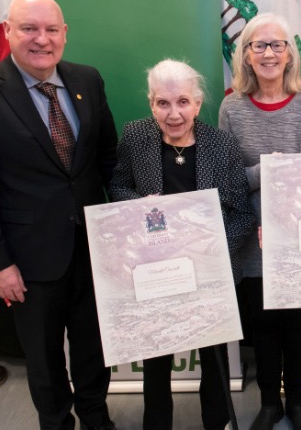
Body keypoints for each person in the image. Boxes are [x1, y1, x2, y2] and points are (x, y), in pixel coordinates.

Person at [0, 0, 117, 430]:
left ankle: (98, 420)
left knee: (94, 349)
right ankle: (57, 423)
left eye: (51, 29)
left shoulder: (88, 80)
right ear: (8, 31)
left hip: (93, 250)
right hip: (27, 259)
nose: (41, 39)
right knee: (44, 361)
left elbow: (107, 158)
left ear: (65, 34)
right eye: (29, 28)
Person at [108, 58, 255, 430]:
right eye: (163, 103)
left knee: (215, 361)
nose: (174, 114)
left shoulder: (220, 144)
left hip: (210, 273)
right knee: (156, 362)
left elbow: (242, 212)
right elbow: (118, 185)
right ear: (150, 102)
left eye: (183, 102)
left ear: (198, 103)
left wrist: (213, 254)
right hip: (154, 273)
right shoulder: (136, 135)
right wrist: (136, 206)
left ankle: (217, 422)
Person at [219, 12, 301, 430]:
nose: (267, 53)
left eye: (276, 45)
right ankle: (269, 403)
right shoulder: (232, 106)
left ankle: (296, 401)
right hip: (252, 237)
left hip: (299, 236)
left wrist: (283, 210)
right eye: (258, 45)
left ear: (289, 54)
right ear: (245, 54)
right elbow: (228, 180)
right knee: (262, 327)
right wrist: (269, 170)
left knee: (298, 327)